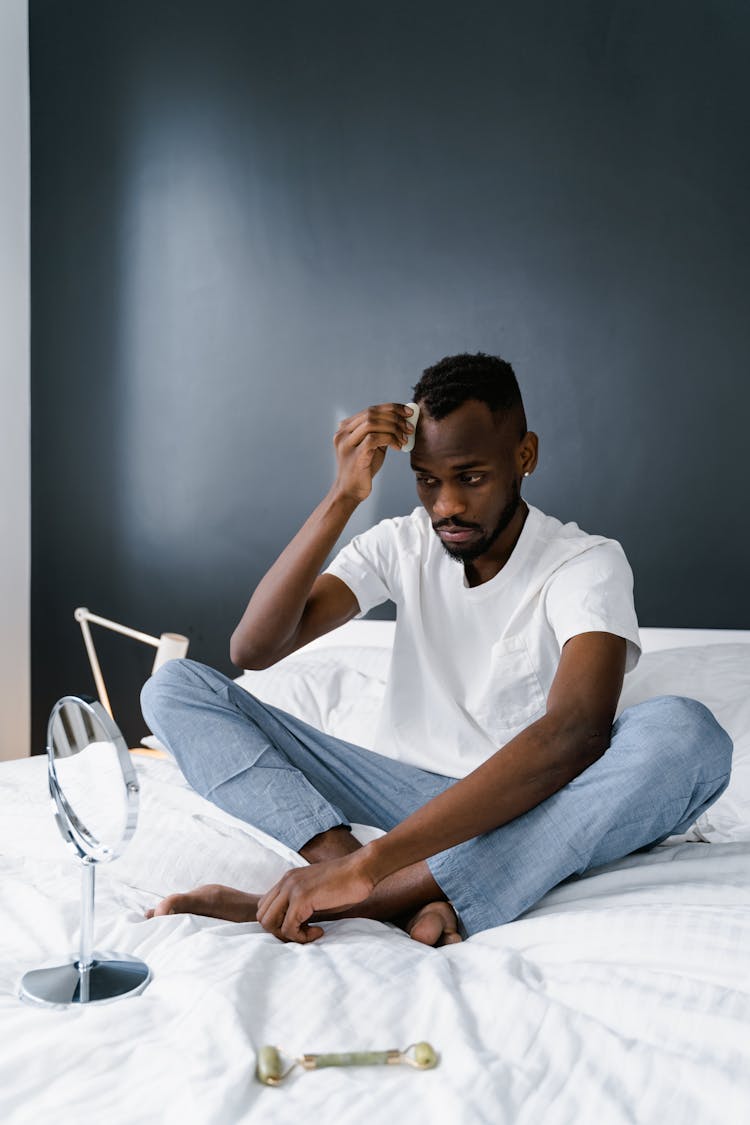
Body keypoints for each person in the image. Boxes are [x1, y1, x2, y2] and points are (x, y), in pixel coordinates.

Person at [141, 352, 732, 947]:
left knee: (685, 734)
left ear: (524, 456)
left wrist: (368, 868)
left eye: (471, 478)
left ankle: (368, 898)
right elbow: (256, 647)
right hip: (401, 795)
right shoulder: (400, 544)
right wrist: (343, 496)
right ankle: (378, 889)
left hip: (531, 802)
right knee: (172, 687)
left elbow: (575, 734)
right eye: (427, 480)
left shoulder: (585, 563)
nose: (446, 505)